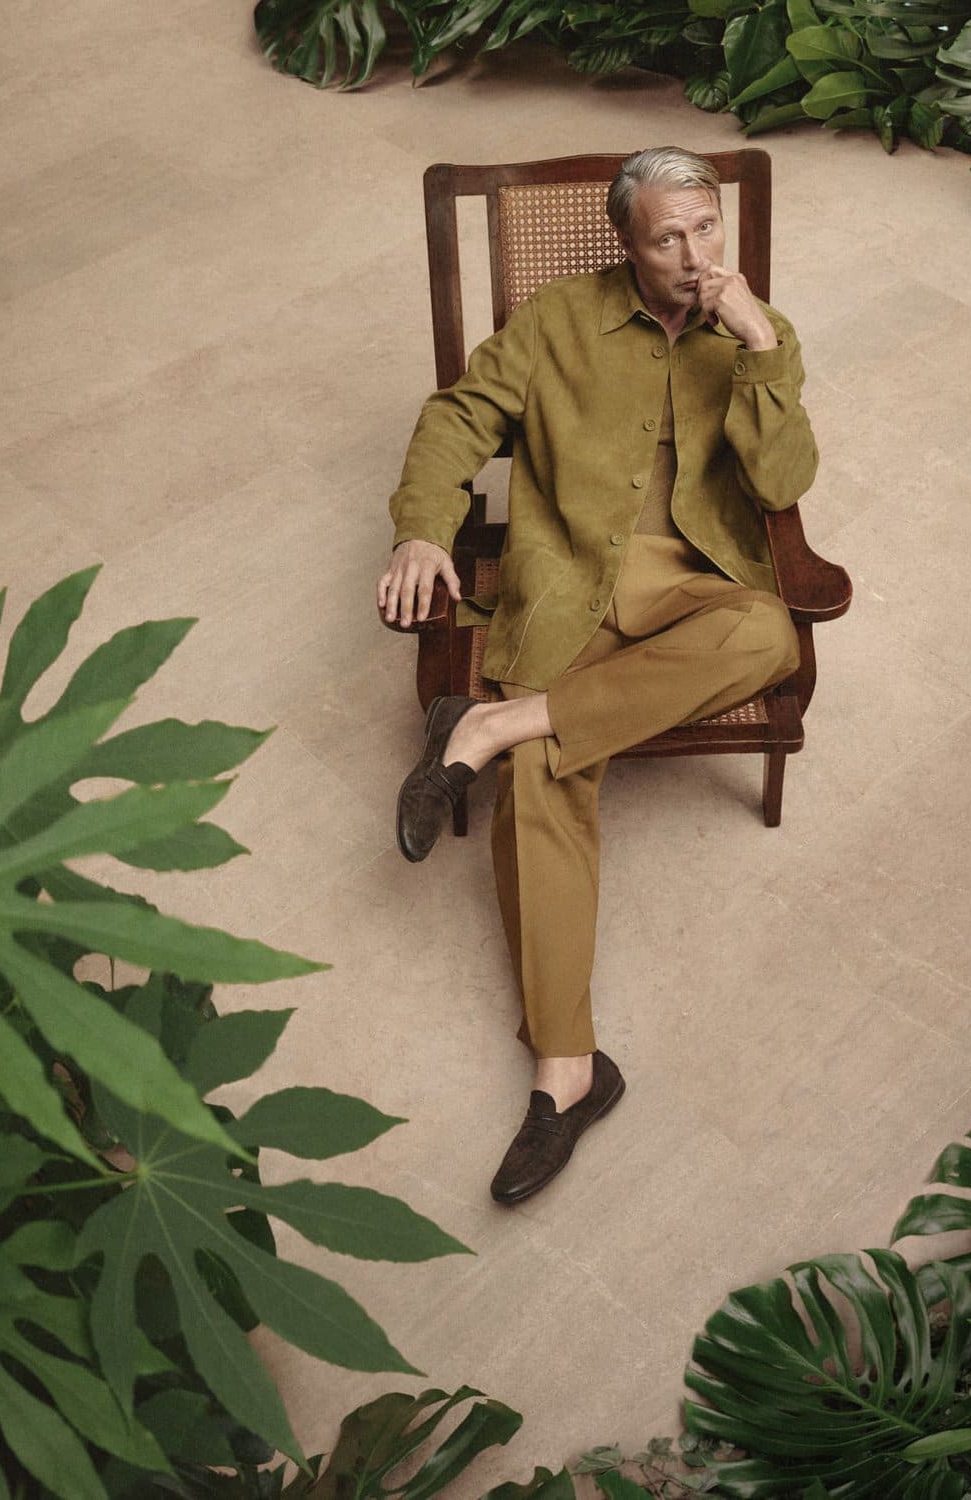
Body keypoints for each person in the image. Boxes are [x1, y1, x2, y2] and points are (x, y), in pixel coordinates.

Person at [376, 146, 817, 1205]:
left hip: (689, 588)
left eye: (705, 230)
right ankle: (567, 1075)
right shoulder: (556, 323)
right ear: (625, 243)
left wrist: (757, 348)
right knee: (542, 775)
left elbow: (784, 478)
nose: (692, 255)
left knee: (768, 636)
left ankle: (485, 725)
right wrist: (420, 533)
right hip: (568, 586)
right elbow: (456, 417)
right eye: (666, 237)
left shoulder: (757, 331)